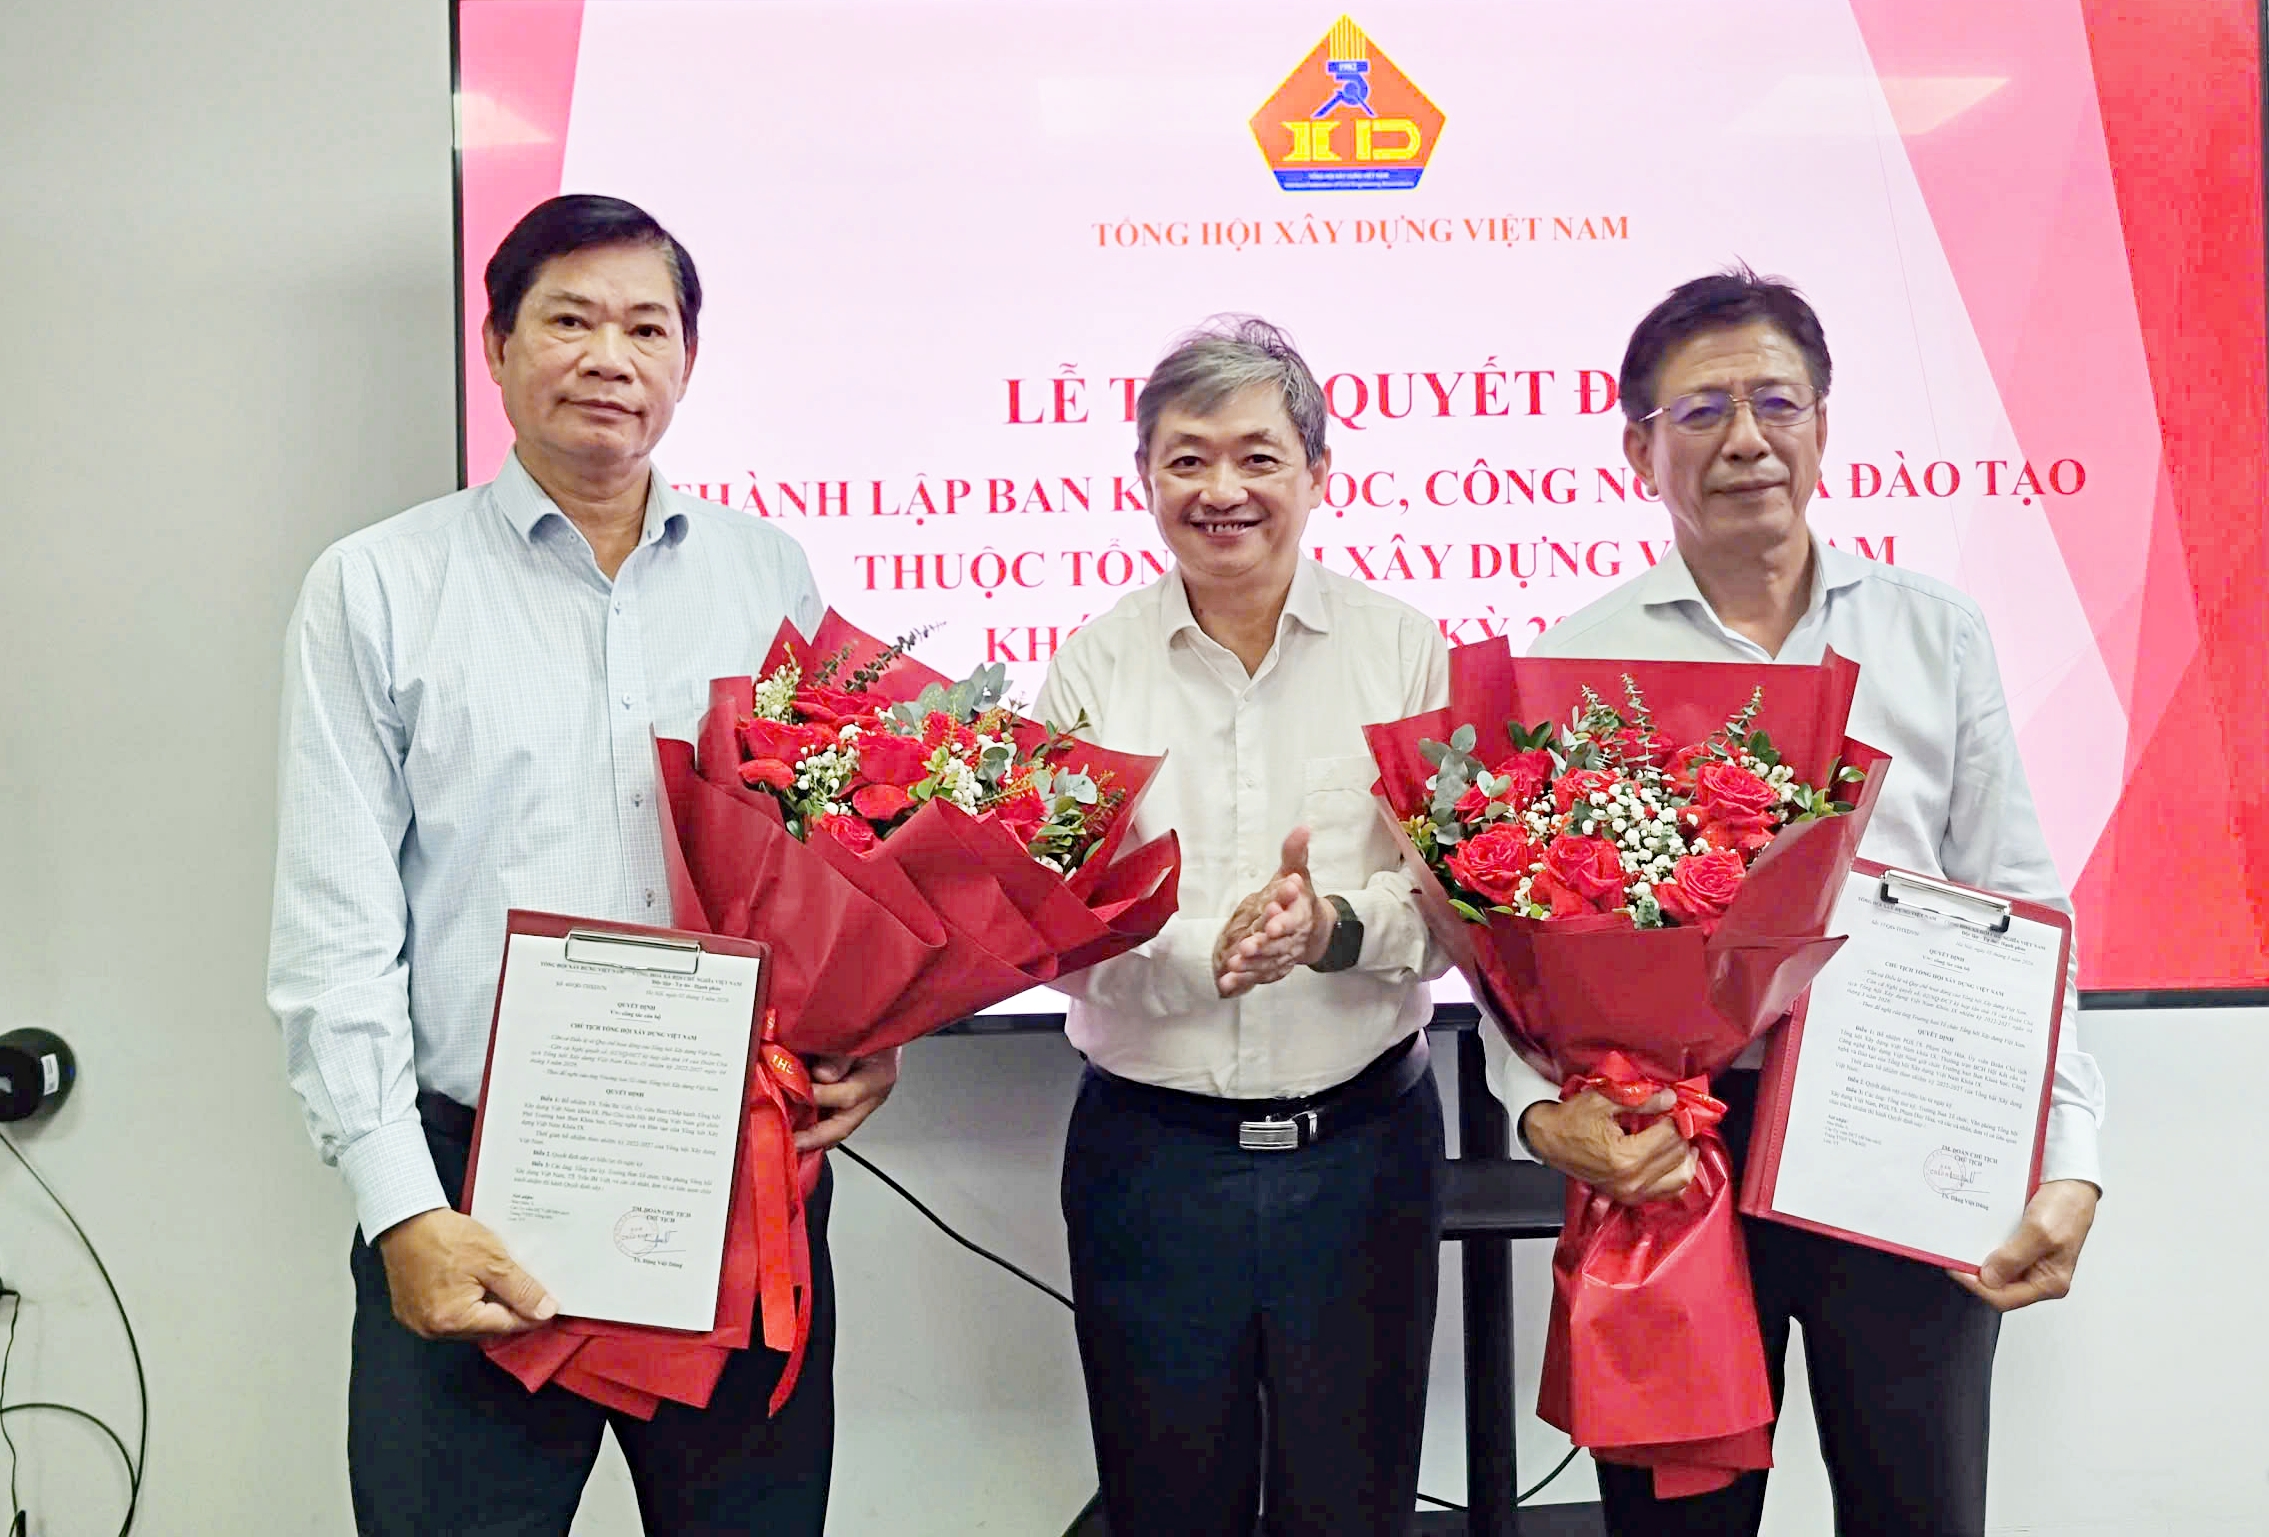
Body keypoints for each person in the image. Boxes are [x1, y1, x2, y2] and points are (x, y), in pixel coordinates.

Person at [266, 193, 898, 1537]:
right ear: (497, 347)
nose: (610, 357)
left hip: (732, 1183)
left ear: (686, 361)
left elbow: (831, 865)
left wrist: (865, 1032)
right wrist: (400, 1211)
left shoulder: (767, 574)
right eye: (569, 320)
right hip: (471, 1195)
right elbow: (334, 937)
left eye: (646, 328)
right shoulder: (376, 588)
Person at [1484, 268, 2106, 1537]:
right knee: (1678, 1526)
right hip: (1675, 1151)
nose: (1745, 439)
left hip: (1906, 1131)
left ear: (1822, 424)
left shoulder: (1933, 635)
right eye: (1701, 410)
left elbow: (2019, 907)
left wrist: (2068, 1157)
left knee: (1919, 1510)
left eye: (1776, 401)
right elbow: (1517, 944)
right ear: (1637, 448)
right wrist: (1541, 1113)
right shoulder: (1576, 661)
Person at [1032, 317, 1450, 1536]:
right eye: (1187, 459)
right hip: (1152, 1166)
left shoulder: (1403, 651)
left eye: (1258, 457)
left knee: (1353, 1509)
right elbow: (1054, 927)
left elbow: (1455, 914)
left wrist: (1331, 931)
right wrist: (1194, 956)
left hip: (1361, 1158)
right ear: (1144, 477)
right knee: (1167, 1508)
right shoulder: (1090, 671)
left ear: (1318, 473)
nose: (1222, 490)